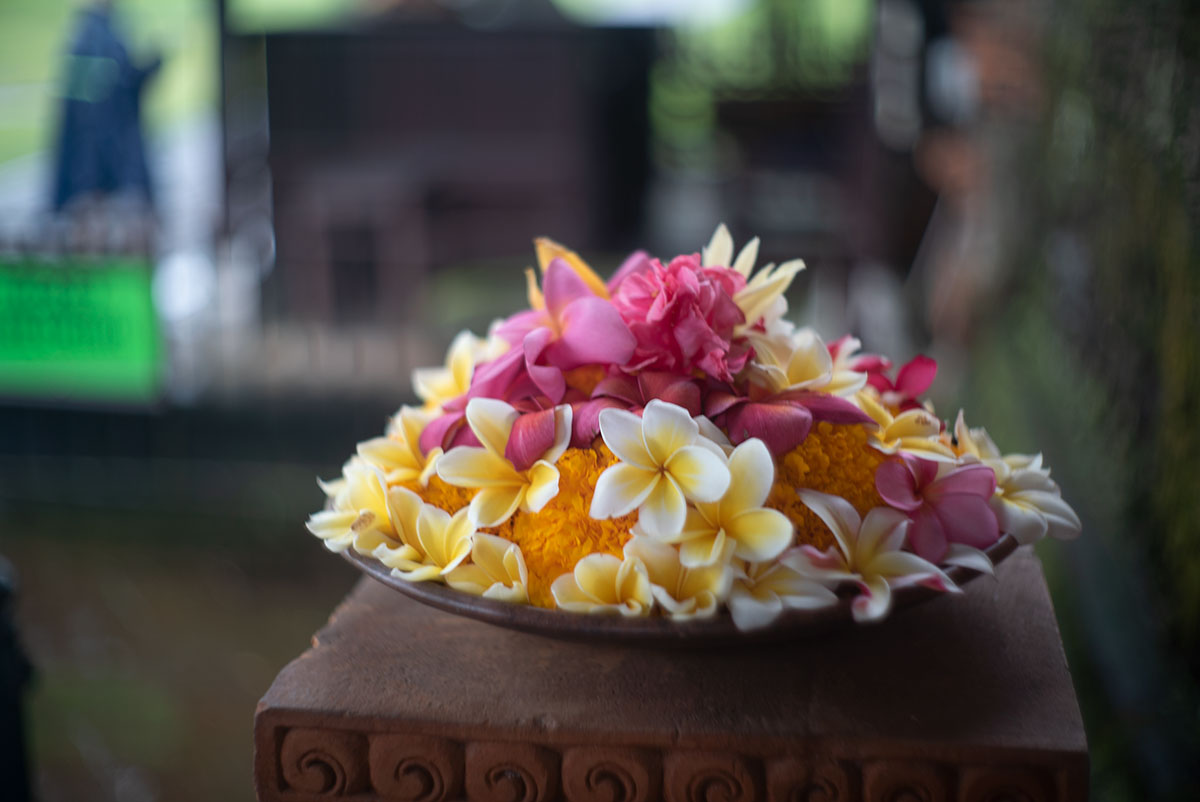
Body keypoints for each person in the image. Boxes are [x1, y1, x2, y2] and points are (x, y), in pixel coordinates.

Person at [50, 0, 161, 214]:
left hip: (102, 143)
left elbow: (122, 80)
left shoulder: (97, 32)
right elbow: (111, 91)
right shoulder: (92, 36)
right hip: (103, 147)